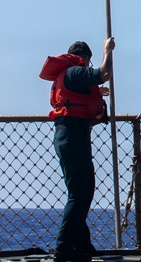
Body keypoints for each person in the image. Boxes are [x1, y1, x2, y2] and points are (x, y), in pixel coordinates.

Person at [39, 37, 115, 262]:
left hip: (71, 135)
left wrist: (94, 99)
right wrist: (107, 50)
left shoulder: (69, 77)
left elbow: (81, 114)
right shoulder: (75, 71)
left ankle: (81, 244)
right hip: (72, 137)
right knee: (80, 193)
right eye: (88, 60)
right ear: (84, 58)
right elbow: (105, 73)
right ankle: (63, 247)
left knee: (82, 191)